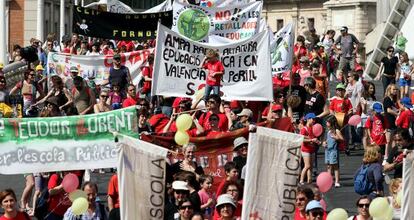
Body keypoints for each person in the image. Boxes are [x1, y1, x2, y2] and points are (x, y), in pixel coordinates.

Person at [300, 113, 320, 185]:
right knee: (307, 165)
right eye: (313, 119)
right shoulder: (304, 129)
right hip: (305, 150)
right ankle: (301, 180)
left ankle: (309, 180)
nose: (314, 121)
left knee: (311, 166)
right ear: (308, 119)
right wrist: (311, 140)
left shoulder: (313, 128)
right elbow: (301, 140)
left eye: (314, 119)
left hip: (312, 149)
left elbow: (314, 138)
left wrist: (317, 141)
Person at [323, 115, 343, 187]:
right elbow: (325, 140)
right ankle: (329, 181)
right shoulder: (327, 131)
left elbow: (342, 139)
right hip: (327, 150)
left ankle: (337, 181)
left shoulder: (336, 131)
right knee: (328, 166)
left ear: (331, 122)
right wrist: (324, 143)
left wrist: (336, 137)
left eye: (327, 122)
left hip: (333, 151)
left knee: (335, 166)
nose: (326, 123)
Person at [383, 84, 400, 159]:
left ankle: (392, 155)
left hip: (393, 121)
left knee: (393, 140)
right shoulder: (387, 99)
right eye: (394, 89)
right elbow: (388, 110)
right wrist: (397, 114)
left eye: (396, 89)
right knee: (388, 140)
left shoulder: (393, 99)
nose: (395, 91)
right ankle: (386, 156)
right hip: (388, 121)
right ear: (389, 90)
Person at [360, 82, 377, 149]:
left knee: (372, 134)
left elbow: (375, 108)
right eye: (370, 88)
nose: (372, 90)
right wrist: (364, 104)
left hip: (372, 117)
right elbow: (364, 111)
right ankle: (366, 150)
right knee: (366, 135)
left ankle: (371, 149)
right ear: (367, 89)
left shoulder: (374, 98)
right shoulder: (363, 98)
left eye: (373, 88)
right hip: (365, 117)